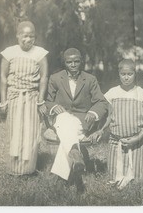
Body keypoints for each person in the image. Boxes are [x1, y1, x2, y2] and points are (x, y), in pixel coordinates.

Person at [45, 48, 108, 192]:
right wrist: (54, 107)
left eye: (76, 61)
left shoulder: (90, 79)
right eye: (69, 62)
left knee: (69, 128)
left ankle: (62, 176)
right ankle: (75, 155)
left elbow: (102, 102)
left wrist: (93, 112)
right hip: (61, 118)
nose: (73, 64)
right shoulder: (55, 78)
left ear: (81, 61)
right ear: (64, 63)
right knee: (65, 119)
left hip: (81, 121)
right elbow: (47, 101)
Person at [92, 59, 143, 190]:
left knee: (138, 180)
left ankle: (135, 175)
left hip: (136, 142)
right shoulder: (112, 93)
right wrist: (101, 130)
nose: (126, 77)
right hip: (116, 142)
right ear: (119, 74)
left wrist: (138, 137)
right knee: (115, 177)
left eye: (130, 74)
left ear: (135, 74)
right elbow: (109, 117)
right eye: (123, 74)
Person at [0, 21, 48, 175]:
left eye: (31, 36)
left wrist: (40, 100)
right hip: (14, 97)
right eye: (25, 35)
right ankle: (13, 168)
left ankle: (28, 169)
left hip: (32, 98)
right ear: (18, 35)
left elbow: (44, 77)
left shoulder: (40, 53)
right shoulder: (9, 52)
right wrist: (3, 101)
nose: (28, 39)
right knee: (15, 131)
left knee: (30, 132)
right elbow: (3, 77)